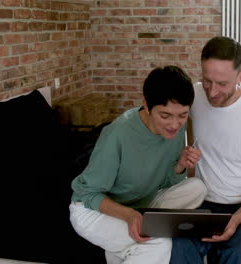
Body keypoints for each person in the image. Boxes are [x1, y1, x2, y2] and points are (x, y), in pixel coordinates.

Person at [69, 65, 207, 264]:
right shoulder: (118, 134)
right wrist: (129, 216)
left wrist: (180, 165)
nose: (175, 124)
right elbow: (88, 194)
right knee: (157, 242)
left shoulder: (176, 129)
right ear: (146, 104)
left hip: (141, 202)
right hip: (92, 210)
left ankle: (122, 248)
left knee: (197, 188)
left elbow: (164, 181)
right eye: (165, 116)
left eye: (182, 115)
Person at [170, 36, 241, 264]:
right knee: (176, 249)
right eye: (207, 80)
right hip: (200, 199)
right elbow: (166, 118)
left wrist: (237, 219)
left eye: (222, 84)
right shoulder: (195, 95)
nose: (212, 92)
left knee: (238, 256)